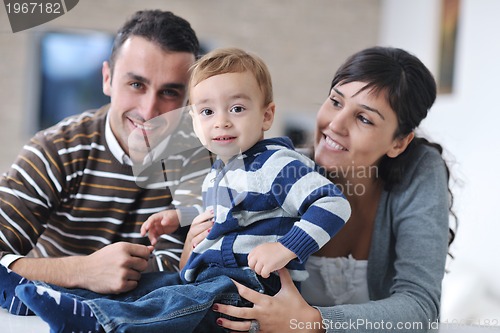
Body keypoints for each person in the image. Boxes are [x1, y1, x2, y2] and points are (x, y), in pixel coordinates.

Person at [15, 47, 351, 333]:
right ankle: (52, 297)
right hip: (211, 278)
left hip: (253, 287)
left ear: (266, 115)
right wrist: (178, 218)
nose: (221, 121)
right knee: (152, 286)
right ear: (195, 122)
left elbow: (333, 204)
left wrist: (286, 248)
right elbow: (223, 211)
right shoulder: (220, 169)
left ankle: (100, 323)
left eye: (236, 108)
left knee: (178, 302)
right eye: (207, 111)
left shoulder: (278, 163)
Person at [200, 46, 455, 333]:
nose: (335, 125)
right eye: (335, 101)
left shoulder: (419, 170)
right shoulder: (278, 173)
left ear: (399, 142)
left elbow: (421, 308)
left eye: (364, 118)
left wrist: (313, 322)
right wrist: (190, 250)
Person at [0, 9, 210, 316]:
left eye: (169, 92)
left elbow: (184, 273)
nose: (150, 111)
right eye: (136, 84)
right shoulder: (55, 151)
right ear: (108, 78)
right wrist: (83, 271)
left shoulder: (202, 160)